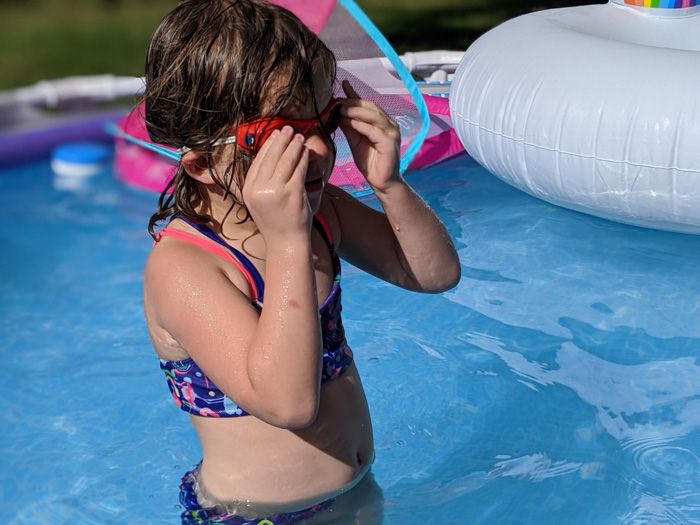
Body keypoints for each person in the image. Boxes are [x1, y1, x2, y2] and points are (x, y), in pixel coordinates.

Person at [142, 0, 461, 523]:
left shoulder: (321, 211)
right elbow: (288, 404)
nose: (316, 146)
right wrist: (288, 240)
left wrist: (389, 185)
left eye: (325, 120)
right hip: (257, 515)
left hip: (355, 494)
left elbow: (433, 274)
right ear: (201, 163)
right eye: (279, 136)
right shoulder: (186, 269)